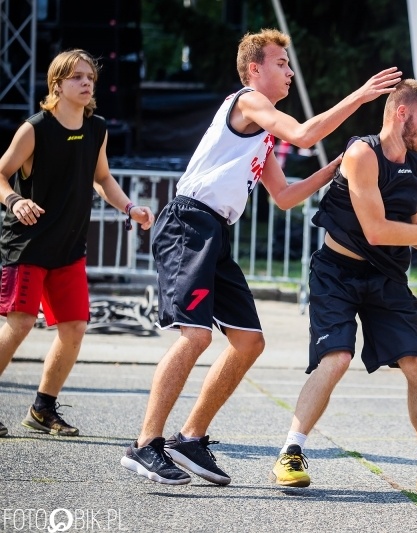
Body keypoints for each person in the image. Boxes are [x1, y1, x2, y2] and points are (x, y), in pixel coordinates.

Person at [119, 28, 401, 486]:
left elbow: (286, 196)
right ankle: (146, 444)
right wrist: (362, 96)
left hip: (216, 229)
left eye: (288, 65)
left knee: (249, 341)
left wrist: (338, 167)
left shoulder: (263, 133)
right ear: (255, 69)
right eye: (281, 64)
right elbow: (306, 135)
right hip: (188, 222)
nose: (289, 72)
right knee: (195, 336)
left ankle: (190, 439)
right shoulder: (248, 100)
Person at [270, 79, 417, 498]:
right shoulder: (361, 154)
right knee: (335, 359)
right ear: (401, 113)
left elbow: (412, 230)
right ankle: (290, 453)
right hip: (337, 272)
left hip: (387, 277)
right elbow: (374, 229)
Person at [0, 49, 155, 438]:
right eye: (77, 77)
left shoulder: (97, 128)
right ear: (57, 85)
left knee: (74, 328)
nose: (86, 83)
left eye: (90, 77)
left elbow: (102, 178)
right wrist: (14, 200)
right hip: (28, 244)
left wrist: (130, 207)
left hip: (69, 247)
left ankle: (42, 409)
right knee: (18, 326)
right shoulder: (35, 128)